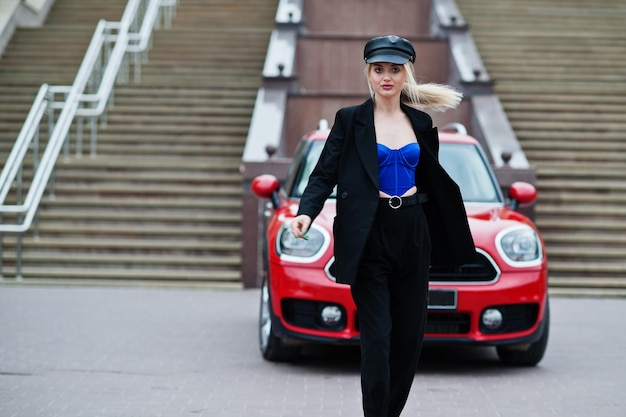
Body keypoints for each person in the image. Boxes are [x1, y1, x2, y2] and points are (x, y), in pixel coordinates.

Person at [290, 35, 476, 417]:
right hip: (368, 234)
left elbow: (430, 180)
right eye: (379, 70)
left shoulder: (421, 122)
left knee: (409, 339)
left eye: (394, 69)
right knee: (378, 337)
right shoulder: (350, 120)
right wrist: (306, 211)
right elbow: (324, 174)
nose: (386, 77)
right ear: (369, 74)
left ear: (405, 73)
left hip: (411, 232)